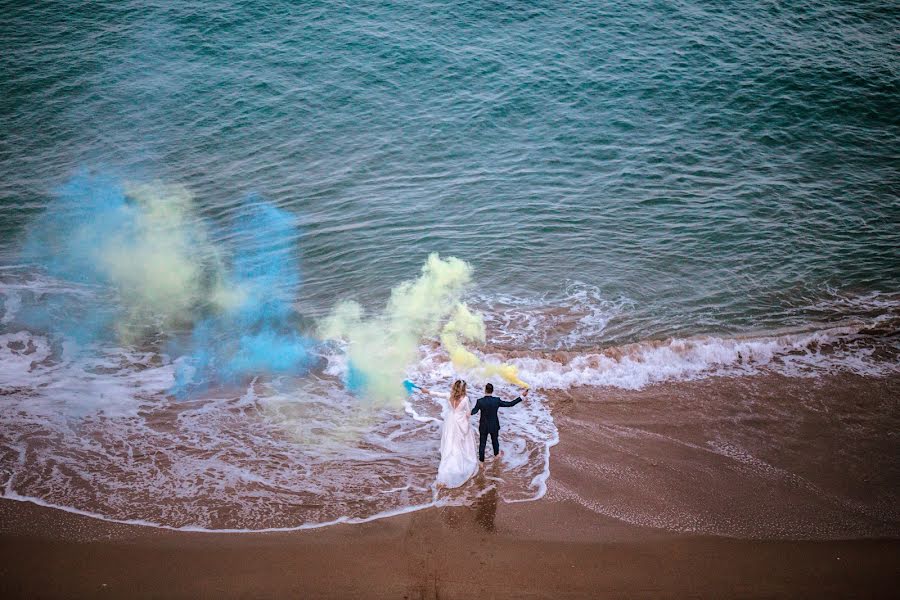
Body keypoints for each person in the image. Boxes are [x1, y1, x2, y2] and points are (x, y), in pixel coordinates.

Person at [418, 380, 478, 488]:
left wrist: (426, 391)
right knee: (460, 444)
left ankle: (445, 469)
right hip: (460, 422)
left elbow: (436, 394)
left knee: (450, 442)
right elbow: (468, 414)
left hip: (450, 421)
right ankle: (457, 465)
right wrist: (465, 414)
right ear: (463, 389)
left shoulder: (448, 395)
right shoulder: (465, 399)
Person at [471, 383, 527, 464]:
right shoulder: (496, 400)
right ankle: (496, 455)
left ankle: (481, 463)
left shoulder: (480, 401)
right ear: (492, 391)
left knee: (482, 444)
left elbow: (474, 411)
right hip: (494, 425)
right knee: (495, 441)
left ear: (485, 390)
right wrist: (522, 396)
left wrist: (465, 412)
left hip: (483, 426)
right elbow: (510, 404)